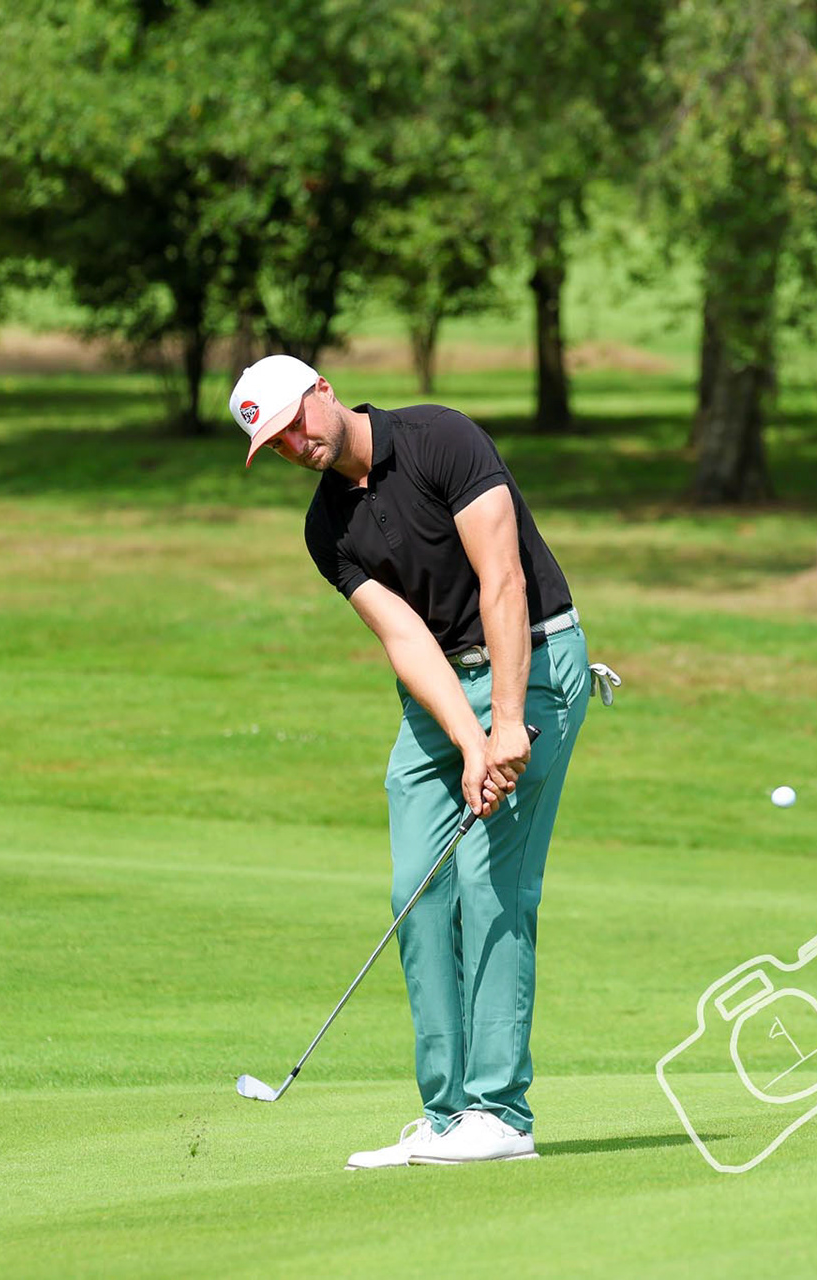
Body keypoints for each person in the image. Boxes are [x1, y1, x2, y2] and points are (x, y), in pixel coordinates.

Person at [231, 353, 605, 1170]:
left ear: (323, 390)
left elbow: (502, 582)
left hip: (534, 664)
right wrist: (469, 740)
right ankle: (447, 1115)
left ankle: (501, 1113)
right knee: (417, 890)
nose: (297, 443)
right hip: (440, 696)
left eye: (297, 420)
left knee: (489, 879)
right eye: (278, 444)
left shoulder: (442, 439)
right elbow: (406, 640)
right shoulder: (325, 528)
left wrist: (506, 725)